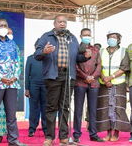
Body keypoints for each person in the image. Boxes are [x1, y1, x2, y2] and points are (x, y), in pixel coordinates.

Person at [34, 15, 91, 146]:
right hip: (53, 76)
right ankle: (49, 137)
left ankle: (64, 137)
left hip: (68, 76)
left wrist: (85, 57)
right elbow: (37, 55)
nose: (62, 24)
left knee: (64, 107)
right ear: (54, 23)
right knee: (51, 107)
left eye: (64, 22)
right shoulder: (46, 36)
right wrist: (44, 51)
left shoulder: (71, 38)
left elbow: (77, 57)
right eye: (59, 22)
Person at [96, 31, 131, 142]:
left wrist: (110, 77)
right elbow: (98, 66)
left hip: (118, 84)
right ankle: (108, 133)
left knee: (118, 108)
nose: (112, 39)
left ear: (119, 40)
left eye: (114, 37)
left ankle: (116, 133)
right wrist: (104, 79)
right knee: (105, 109)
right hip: (104, 84)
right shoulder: (101, 51)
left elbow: (124, 67)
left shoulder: (124, 51)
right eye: (110, 37)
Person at [73, 28, 103, 143]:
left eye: (89, 35)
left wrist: (93, 77)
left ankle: (93, 134)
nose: (87, 37)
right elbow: (74, 65)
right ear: (80, 36)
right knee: (78, 110)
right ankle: (76, 134)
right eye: (85, 35)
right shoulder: (76, 49)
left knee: (93, 110)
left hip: (94, 83)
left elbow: (99, 65)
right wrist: (85, 76)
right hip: (80, 82)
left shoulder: (95, 50)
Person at [0, 28, 15, 144]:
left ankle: (12, 137)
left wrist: (14, 77)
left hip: (11, 85)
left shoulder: (15, 49)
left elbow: (18, 66)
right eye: (8, 33)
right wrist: (1, 77)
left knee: (10, 113)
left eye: (11, 33)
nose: (9, 35)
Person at [25, 39, 47, 137]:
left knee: (45, 107)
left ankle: (46, 129)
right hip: (33, 85)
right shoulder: (30, 58)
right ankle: (32, 129)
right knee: (34, 108)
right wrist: (27, 88)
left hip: (46, 85)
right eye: (38, 46)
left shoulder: (47, 58)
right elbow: (27, 74)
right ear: (35, 47)